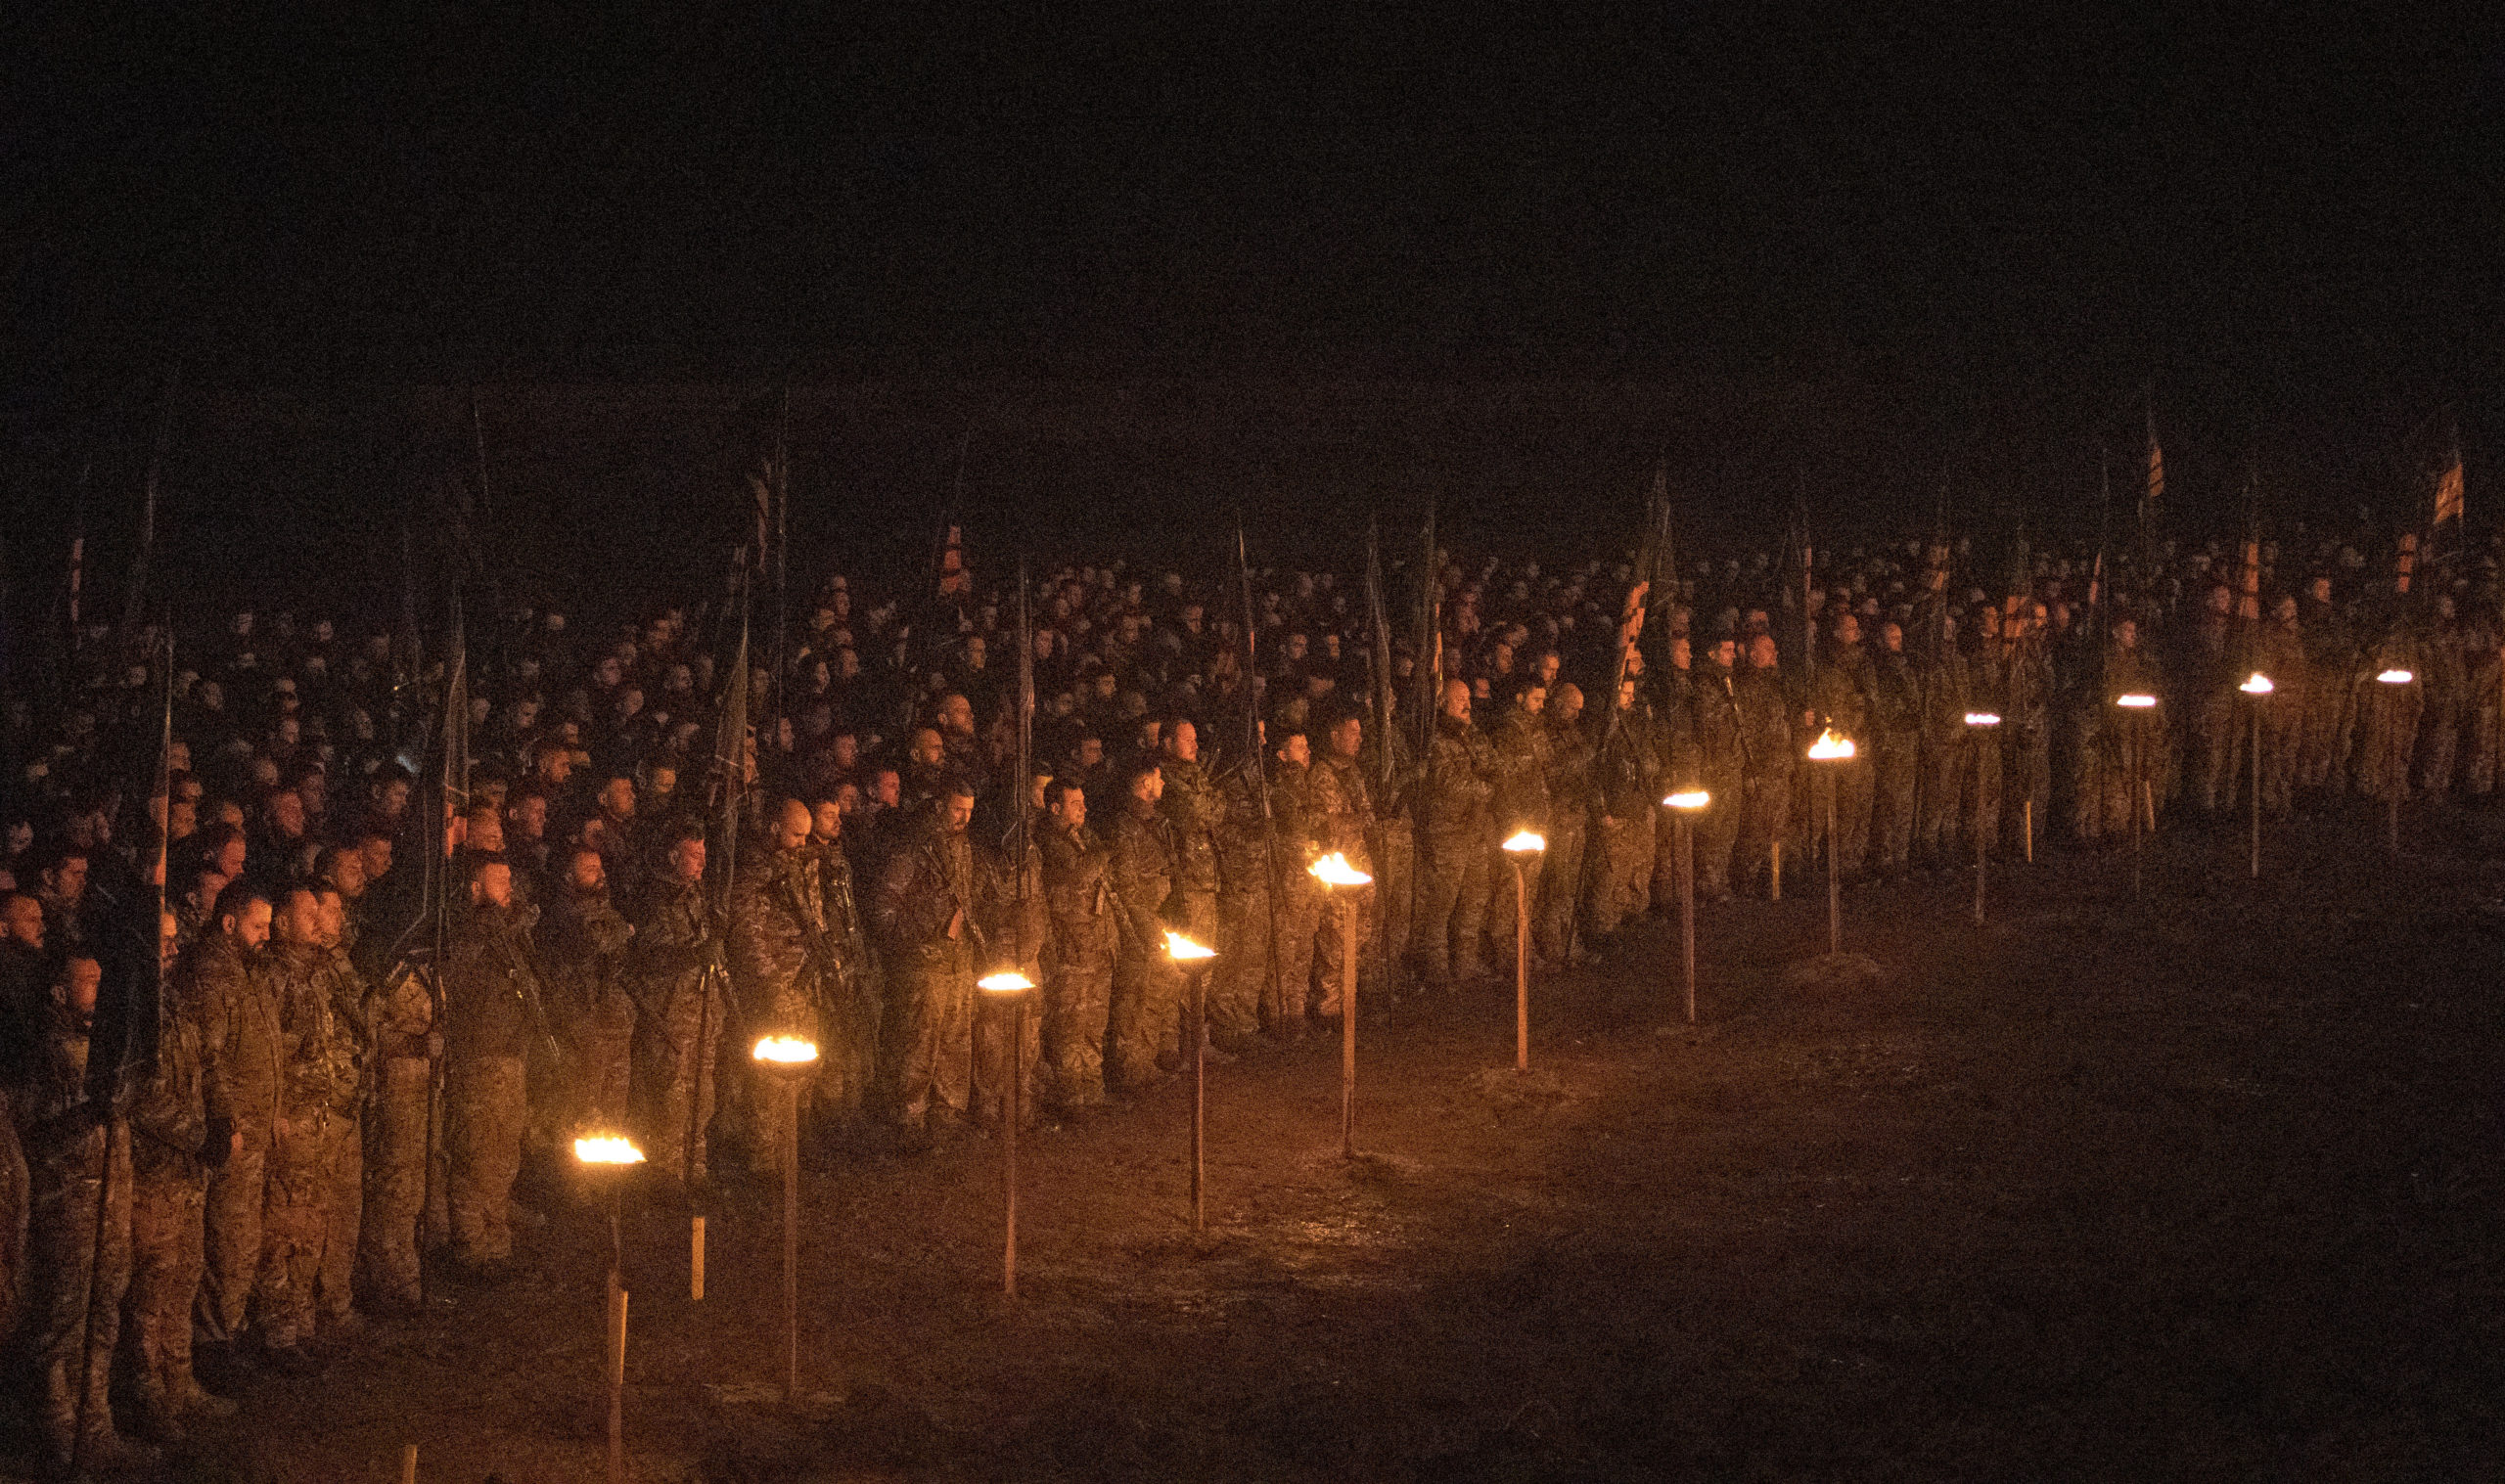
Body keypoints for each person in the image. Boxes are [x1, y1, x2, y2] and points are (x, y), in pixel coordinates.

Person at [12, 954, 153, 1473]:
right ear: (58, 990)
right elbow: (33, 1134)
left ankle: (95, 1425)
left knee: (104, 1314)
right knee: (61, 1323)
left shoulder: (106, 1046)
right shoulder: (39, 1052)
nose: (97, 988)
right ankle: (58, 1435)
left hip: (111, 1202)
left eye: (101, 978)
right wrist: (89, 1113)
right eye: (86, 980)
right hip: (67, 1205)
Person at [441, 859, 544, 1275]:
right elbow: (459, 981)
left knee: (504, 1153)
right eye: (498, 880)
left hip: (509, 1054)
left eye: (509, 877)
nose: (508, 886)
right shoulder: (467, 933)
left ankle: (496, 1238)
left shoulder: (507, 933)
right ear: (474, 886)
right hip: (479, 1055)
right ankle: (473, 1245)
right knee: (475, 1153)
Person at [197, 880, 281, 1357]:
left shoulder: (249, 972)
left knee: (247, 1238)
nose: (266, 935)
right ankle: (214, 1341)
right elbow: (211, 1060)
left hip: (257, 1129)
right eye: (258, 926)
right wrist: (228, 1122)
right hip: (237, 1135)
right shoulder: (214, 977)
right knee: (228, 1239)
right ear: (229, 924)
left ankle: (233, 1327)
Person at [731, 800, 838, 1168]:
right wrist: (770, 982)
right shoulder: (758, 870)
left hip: (806, 980)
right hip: (776, 983)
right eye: (795, 834)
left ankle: (791, 1152)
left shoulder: (803, 863)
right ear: (775, 828)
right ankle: (764, 1160)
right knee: (772, 1080)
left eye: (807, 835)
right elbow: (747, 932)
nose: (802, 842)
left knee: (804, 1073)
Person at [873, 784, 979, 1136]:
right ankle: (909, 1121)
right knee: (918, 1046)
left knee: (955, 1044)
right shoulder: (914, 850)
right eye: (956, 809)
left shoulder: (962, 848)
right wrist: (922, 928)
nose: (964, 818)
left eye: (969, 810)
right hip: (924, 966)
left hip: (958, 963)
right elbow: (885, 912)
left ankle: (947, 1116)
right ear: (939, 806)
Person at [631, 822, 725, 1194]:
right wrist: (689, 956)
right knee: (670, 1094)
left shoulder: (697, 897)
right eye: (693, 855)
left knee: (702, 1095)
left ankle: (695, 1168)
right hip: (670, 1010)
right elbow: (647, 956)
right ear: (673, 856)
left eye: (704, 855)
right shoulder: (653, 898)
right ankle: (666, 1176)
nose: (702, 863)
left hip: (703, 1008)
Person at [1037, 781, 1116, 1111]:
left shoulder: (1084, 838)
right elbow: (1079, 874)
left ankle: (1092, 1089)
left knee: (1094, 1023)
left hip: (1096, 944)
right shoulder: (1048, 841)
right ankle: (1070, 1095)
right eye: (1075, 804)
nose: (1084, 809)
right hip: (1070, 946)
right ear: (1055, 808)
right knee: (1069, 1025)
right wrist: (1105, 852)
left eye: (1084, 802)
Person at [1101, 764, 1180, 1088]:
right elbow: (1127, 885)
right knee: (1135, 997)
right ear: (1144, 784)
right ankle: (1131, 1068)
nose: (1163, 783)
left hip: (1161, 920)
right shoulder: (1124, 829)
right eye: (1158, 779)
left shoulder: (1157, 823)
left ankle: (1149, 1059)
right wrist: (1146, 927)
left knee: (1159, 991)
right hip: (1140, 927)